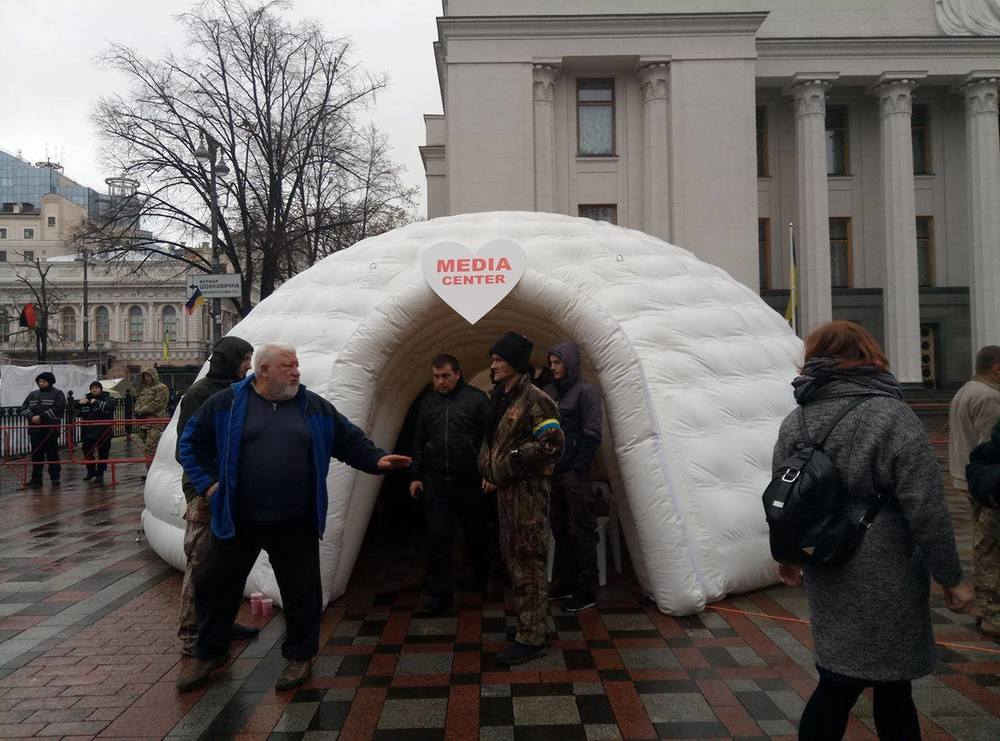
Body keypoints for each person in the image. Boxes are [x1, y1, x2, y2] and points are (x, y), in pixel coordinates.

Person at [772, 321, 973, 740]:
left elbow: (784, 497)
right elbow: (926, 507)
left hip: (826, 561)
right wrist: (951, 577)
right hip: (887, 565)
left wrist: (789, 555)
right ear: (868, 354)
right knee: (890, 685)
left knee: (837, 678)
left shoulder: (798, 419)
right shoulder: (891, 416)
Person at [176, 342, 410, 692]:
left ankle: (300, 656)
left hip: (295, 519)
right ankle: (211, 652)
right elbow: (190, 444)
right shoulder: (227, 403)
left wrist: (375, 459)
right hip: (239, 517)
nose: (297, 372)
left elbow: (347, 438)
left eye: (297, 365)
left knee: (302, 591)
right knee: (215, 584)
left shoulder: (312, 406)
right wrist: (208, 485)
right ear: (263, 370)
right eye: (289, 366)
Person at [479, 331, 564, 666]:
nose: (493, 365)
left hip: (528, 495)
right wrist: (491, 470)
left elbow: (552, 444)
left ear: (515, 362)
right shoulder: (501, 396)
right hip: (507, 493)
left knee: (528, 561)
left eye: (499, 359)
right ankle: (533, 625)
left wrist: (511, 461)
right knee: (514, 559)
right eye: (492, 359)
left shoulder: (536, 399)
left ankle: (532, 638)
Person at [174, 336, 258, 657]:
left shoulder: (239, 391)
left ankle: (220, 623)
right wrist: (208, 485)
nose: (249, 365)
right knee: (201, 562)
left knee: (227, 562)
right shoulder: (199, 395)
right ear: (230, 359)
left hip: (234, 489)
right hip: (205, 493)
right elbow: (186, 447)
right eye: (245, 359)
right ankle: (192, 632)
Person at [410, 353, 490, 616]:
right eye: (436, 377)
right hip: (436, 482)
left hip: (469, 480)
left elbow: (490, 440)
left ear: (457, 373)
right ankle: (439, 594)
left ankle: (481, 577)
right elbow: (419, 439)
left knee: (476, 533)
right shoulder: (428, 403)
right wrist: (415, 475)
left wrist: (489, 473)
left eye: (445, 376)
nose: (440, 382)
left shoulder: (476, 399)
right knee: (438, 538)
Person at [544, 342, 603, 613]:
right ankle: (566, 581)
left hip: (573, 474)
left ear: (570, 363)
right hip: (553, 471)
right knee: (559, 528)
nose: (553, 367)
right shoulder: (550, 392)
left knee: (581, 529)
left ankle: (586, 589)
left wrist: (579, 467)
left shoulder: (586, 392)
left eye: (557, 362)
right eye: (551, 363)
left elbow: (592, 432)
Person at [947, 345, 1000, 640]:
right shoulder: (990, 398)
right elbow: (990, 450)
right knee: (990, 549)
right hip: (988, 485)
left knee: (985, 545)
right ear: (997, 369)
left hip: (968, 478)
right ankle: (992, 613)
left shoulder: (967, 389)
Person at [20, 371, 66, 489]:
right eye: (39, 381)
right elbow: (23, 408)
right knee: (36, 456)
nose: (41, 383)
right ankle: (36, 479)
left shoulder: (58, 394)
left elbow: (59, 408)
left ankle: (55, 478)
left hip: (50, 430)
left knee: (52, 455)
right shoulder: (33, 394)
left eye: (44, 381)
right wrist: (31, 417)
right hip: (35, 430)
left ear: (50, 382)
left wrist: (41, 417)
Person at [77, 382, 117, 485]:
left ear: (100, 389)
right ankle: (91, 470)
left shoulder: (108, 398)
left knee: (103, 453)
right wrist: (78, 404)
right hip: (88, 431)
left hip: (103, 431)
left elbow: (110, 407)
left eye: (96, 388)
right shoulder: (86, 399)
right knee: (86, 451)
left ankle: (100, 474)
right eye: (92, 388)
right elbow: (76, 413)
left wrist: (96, 402)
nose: (94, 390)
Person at [134, 366, 169, 472]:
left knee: (151, 445)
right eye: (145, 376)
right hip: (144, 421)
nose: (146, 378)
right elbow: (139, 400)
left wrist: (142, 410)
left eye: (148, 376)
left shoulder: (161, 388)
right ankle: (151, 469)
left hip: (155, 421)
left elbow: (158, 404)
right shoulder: (145, 389)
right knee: (147, 446)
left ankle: (152, 471)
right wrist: (137, 408)